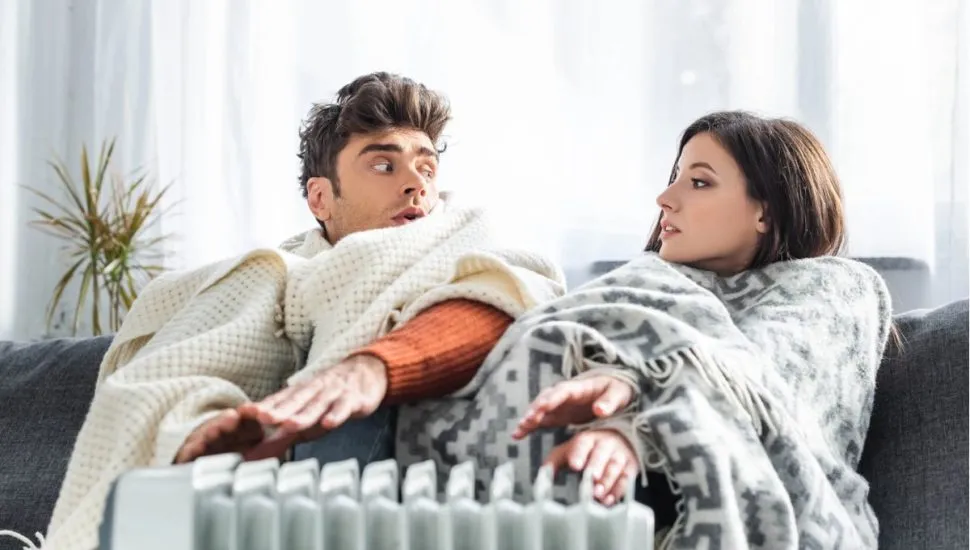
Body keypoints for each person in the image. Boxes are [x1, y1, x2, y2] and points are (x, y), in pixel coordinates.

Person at [41, 72, 564, 550]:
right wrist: (186, 434)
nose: (416, 183)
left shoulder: (462, 240)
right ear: (321, 199)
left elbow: (501, 291)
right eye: (384, 164)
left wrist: (375, 366)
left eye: (426, 165)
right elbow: (170, 375)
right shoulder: (275, 276)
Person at [507, 111, 890, 546]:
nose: (665, 198)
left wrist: (635, 424)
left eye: (700, 182)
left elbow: (763, 375)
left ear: (764, 211)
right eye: (675, 177)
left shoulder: (836, 286)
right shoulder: (646, 282)